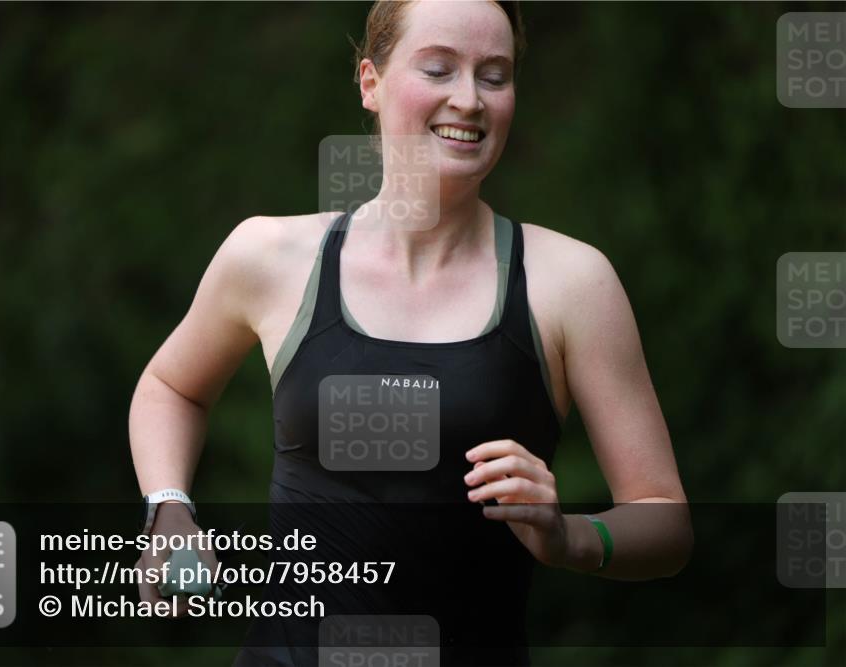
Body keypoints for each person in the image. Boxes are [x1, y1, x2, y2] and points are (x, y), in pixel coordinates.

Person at [129, 1, 694, 664]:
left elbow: (665, 518)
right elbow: (172, 386)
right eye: (438, 68)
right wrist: (168, 506)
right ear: (370, 82)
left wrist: (570, 535)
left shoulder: (570, 282)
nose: (469, 100)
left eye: (495, 75)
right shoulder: (270, 257)